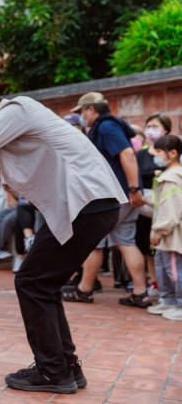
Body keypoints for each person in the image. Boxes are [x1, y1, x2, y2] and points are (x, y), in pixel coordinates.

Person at [0, 84, 125, 394]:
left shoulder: (17, 109)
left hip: (86, 203)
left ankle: (53, 371)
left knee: (30, 281)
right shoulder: (13, 127)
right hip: (85, 205)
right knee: (43, 282)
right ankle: (65, 366)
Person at [65, 92, 150, 309]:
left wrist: (133, 188)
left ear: (91, 109)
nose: (82, 116)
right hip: (123, 195)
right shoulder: (111, 126)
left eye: (82, 111)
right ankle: (140, 293)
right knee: (125, 240)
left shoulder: (106, 127)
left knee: (93, 242)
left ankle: (84, 290)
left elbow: (127, 154)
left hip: (114, 195)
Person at [144, 135, 182, 321]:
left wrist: (158, 231)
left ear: (173, 153)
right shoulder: (165, 176)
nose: (156, 156)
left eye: (159, 152)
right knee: (163, 267)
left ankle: (180, 301)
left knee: (174, 270)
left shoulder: (172, 178)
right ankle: (169, 300)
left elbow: (171, 211)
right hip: (165, 234)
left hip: (171, 234)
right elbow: (161, 203)